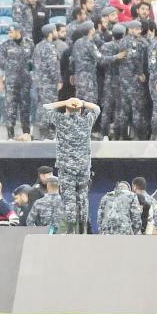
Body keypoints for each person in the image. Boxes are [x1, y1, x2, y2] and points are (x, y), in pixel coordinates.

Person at [40, 97, 100, 233]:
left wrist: (64, 102)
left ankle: (71, 230)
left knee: (69, 200)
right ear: (80, 110)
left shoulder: (61, 121)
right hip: (84, 167)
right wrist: (83, 103)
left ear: (67, 108)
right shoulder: (86, 121)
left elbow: (47, 107)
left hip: (66, 168)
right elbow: (97, 109)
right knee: (83, 199)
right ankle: (83, 229)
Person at [0, 24, 34, 140]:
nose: (9, 34)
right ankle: (10, 134)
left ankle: (26, 132)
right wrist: (0, 81)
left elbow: (34, 62)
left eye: (11, 32)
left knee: (25, 107)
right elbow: (1, 65)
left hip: (25, 81)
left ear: (18, 31)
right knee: (10, 108)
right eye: (8, 32)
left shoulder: (29, 43)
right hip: (11, 81)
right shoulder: (5, 45)